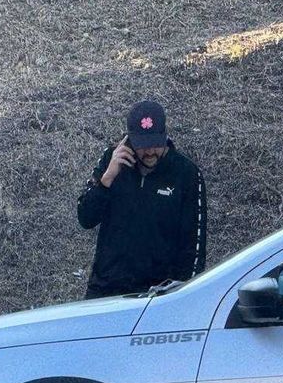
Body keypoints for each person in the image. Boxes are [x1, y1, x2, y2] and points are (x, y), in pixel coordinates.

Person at [77, 100, 207, 299]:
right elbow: (85, 218)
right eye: (142, 146)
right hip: (106, 288)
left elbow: (194, 248)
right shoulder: (111, 160)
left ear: (165, 136)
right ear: (129, 140)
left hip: (157, 295)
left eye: (156, 144)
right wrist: (107, 179)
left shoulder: (186, 174)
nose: (150, 152)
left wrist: (182, 296)